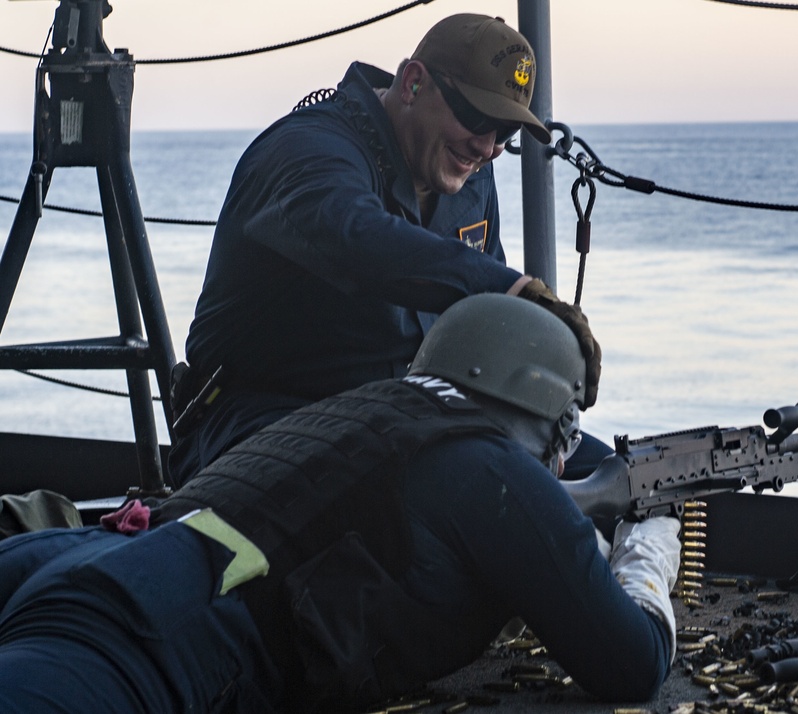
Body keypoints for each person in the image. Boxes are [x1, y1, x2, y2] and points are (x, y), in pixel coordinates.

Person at [0, 294, 680, 713]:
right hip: (152, 628)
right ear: (554, 417)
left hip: (80, 554)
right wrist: (648, 552)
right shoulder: (494, 468)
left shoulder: (365, 408)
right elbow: (631, 663)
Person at [168, 13, 603, 487]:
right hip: (259, 419)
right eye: (476, 117)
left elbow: (485, 326)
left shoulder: (470, 172)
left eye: (505, 132)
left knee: (612, 473)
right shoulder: (306, 149)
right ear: (413, 83)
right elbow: (359, 239)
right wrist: (512, 289)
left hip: (404, 417)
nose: (487, 147)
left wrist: (543, 416)